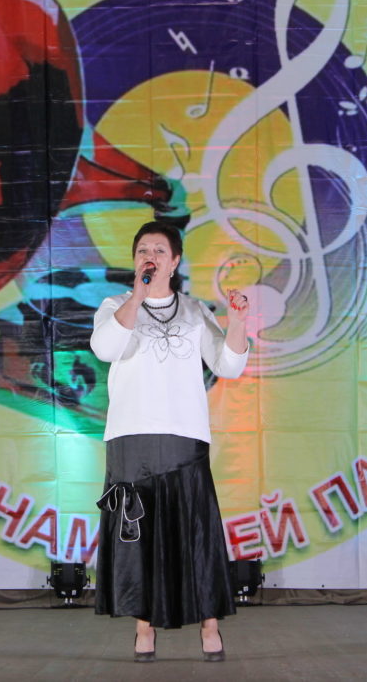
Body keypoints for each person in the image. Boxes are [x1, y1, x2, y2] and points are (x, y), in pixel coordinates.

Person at [90, 221, 250, 663]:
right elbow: (105, 349)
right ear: (135, 259)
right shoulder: (115, 306)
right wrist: (137, 297)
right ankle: (144, 628)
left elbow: (229, 364)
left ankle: (210, 624)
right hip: (131, 438)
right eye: (144, 249)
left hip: (184, 437)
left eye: (160, 250)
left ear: (175, 262)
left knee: (195, 534)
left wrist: (237, 322)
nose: (152, 256)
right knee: (139, 537)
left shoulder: (195, 311)